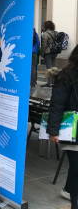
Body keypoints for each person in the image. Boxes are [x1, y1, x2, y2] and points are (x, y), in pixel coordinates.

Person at [47, 44, 78, 209]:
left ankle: (68, 190)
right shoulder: (66, 76)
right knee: (76, 167)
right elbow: (57, 104)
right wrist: (53, 130)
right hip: (73, 129)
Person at [41, 21, 58, 87]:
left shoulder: (46, 34)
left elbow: (44, 45)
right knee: (53, 67)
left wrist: (42, 54)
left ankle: (49, 83)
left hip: (48, 52)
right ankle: (54, 82)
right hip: (54, 52)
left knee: (49, 68)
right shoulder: (55, 33)